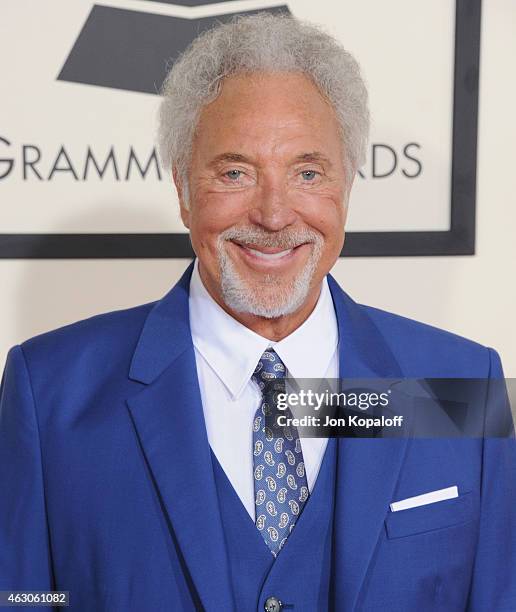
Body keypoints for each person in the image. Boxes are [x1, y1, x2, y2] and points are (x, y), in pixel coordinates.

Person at [1, 13, 515, 612]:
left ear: (346, 185)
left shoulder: (458, 388)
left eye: (307, 172)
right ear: (182, 189)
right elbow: (22, 598)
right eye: (235, 172)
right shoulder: (52, 395)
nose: (273, 215)